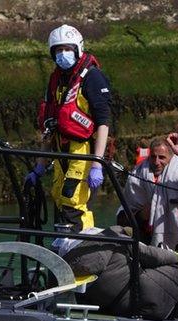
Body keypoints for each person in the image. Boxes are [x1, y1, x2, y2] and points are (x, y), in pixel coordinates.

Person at [26, 24, 112, 232]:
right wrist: (39, 166)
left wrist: (97, 163)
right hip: (60, 151)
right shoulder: (56, 80)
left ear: (77, 49)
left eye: (67, 49)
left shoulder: (92, 77)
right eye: (58, 50)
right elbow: (49, 125)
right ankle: (64, 247)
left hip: (83, 152)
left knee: (73, 200)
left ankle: (81, 246)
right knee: (58, 194)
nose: (62, 54)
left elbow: (103, 121)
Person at [55, 226, 178, 321]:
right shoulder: (116, 239)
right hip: (146, 300)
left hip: (117, 306)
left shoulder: (69, 261)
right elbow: (154, 255)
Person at [120, 125, 178, 250]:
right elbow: (123, 216)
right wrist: (140, 215)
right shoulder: (137, 175)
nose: (156, 162)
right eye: (153, 157)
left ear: (171, 158)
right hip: (147, 237)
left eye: (162, 157)